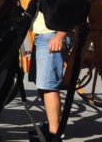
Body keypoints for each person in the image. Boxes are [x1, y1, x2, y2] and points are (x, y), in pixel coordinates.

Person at [28, 12, 71, 142]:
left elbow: (70, 1)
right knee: (42, 84)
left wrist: (61, 34)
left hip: (51, 35)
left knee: (48, 86)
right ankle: (52, 128)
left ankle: (54, 135)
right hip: (44, 34)